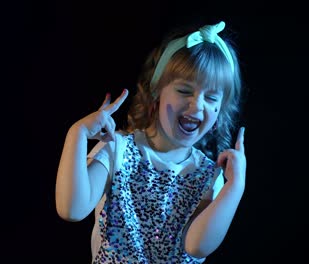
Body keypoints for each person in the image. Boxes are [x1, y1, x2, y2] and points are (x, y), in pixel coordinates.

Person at [55, 20, 247, 263]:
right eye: (185, 91)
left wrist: (235, 186)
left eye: (210, 97)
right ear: (156, 92)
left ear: (220, 112)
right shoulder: (118, 150)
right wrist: (78, 133)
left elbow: (197, 246)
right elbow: (71, 209)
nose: (197, 105)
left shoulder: (208, 177)